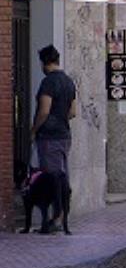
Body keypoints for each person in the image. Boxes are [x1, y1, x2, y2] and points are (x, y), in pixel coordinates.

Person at [31, 45, 77, 232]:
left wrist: (34, 129)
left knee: (52, 180)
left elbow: (44, 111)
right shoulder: (69, 82)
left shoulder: (48, 82)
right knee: (62, 177)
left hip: (49, 137)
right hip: (64, 135)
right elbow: (73, 112)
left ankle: (56, 219)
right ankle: (61, 217)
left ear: (44, 63)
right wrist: (61, 119)